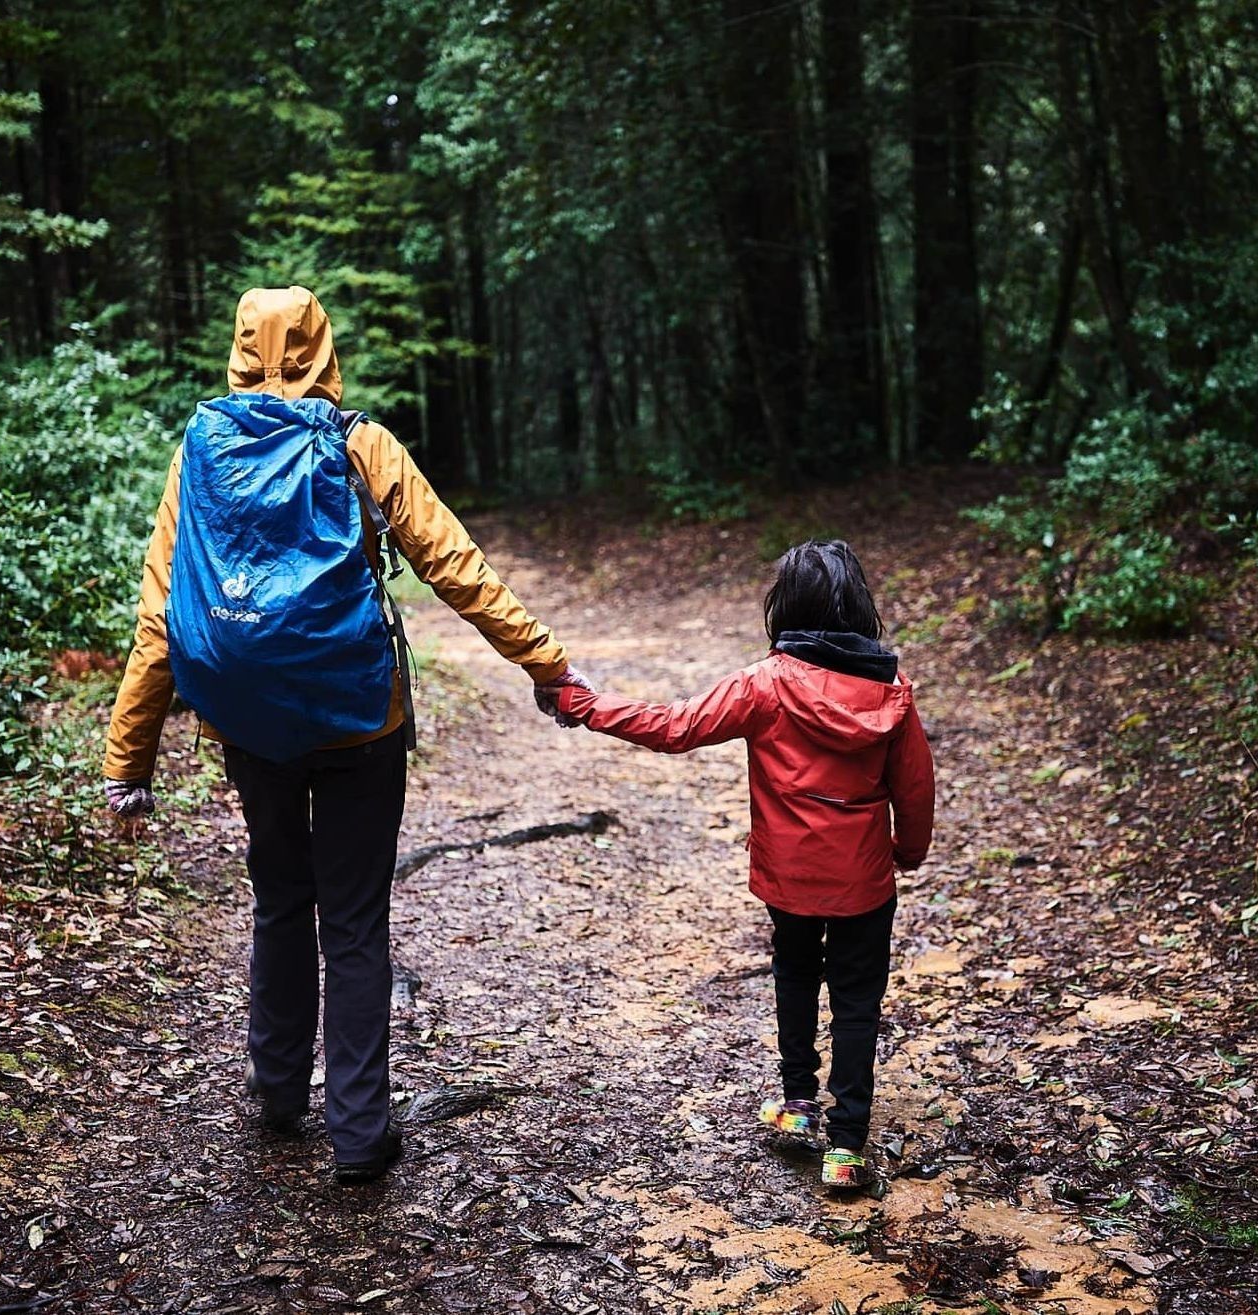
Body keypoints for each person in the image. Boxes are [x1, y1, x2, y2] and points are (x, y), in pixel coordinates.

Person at [102, 287, 588, 1184]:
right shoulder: (360, 442)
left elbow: (160, 610)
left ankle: (281, 1092)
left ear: (242, 347)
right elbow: (456, 567)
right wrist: (546, 664)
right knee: (355, 923)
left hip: (250, 721)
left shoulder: (201, 449)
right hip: (363, 716)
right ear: (325, 346)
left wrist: (129, 758)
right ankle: (361, 1134)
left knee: (282, 896)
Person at [541, 540, 933, 1188]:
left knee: (797, 975)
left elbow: (674, 726)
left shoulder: (767, 684)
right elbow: (914, 786)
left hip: (790, 878)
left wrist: (583, 703)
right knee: (858, 1000)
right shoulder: (890, 690)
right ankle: (846, 1148)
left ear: (787, 607)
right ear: (860, 606)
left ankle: (799, 1103)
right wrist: (909, 850)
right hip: (863, 879)